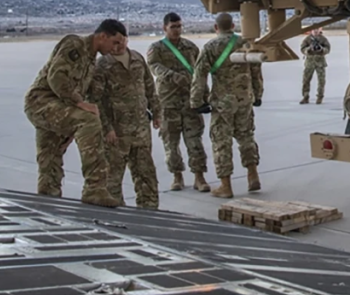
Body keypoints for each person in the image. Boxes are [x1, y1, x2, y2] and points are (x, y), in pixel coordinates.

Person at [23, 19, 126, 207]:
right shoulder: (75, 45)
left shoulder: (90, 59)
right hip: (42, 102)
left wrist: (71, 126)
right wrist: (78, 104)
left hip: (56, 106)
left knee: (51, 156)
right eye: (115, 42)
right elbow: (56, 77)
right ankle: (94, 188)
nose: (116, 48)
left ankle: (48, 199)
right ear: (102, 36)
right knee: (89, 121)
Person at [191, 12, 263, 198]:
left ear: (216, 28)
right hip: (244, 99)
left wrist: (197, 101)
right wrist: (258, 94)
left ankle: (226, 185)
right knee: (246, 136)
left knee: (221, 142)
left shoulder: (210, 47)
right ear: (233, 26)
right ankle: (252, 174)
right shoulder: (245, 44)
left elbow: (199, 75)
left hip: (222, 103)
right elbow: (256, 70)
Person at [89, 34, 161, 209]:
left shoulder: (137, 58)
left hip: (140, 130)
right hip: (116, 133)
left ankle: (149, 212)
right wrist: (107, 128)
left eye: (122, 40)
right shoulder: (102, 65)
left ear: (127, 39)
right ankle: (116, 215)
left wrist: (157, 112)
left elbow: (149, 87)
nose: (119, 45)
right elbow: (94, 100)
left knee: (146, 175)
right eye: (115, 41)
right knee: (112, 178)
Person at [146, 12, 211, 192]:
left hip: (189, 103)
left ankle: (199, 177)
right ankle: (177, 177)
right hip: (168, 103)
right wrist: (173, 76)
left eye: (179, 26)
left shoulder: (190, 48)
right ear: (165, 28)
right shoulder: (157, 48)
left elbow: (200, 73)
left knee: (194, 142)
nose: (177, 30)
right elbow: (154, 67)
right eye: (173, 27)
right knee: (171, 143)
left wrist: (205, 97)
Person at [299, 27, 331, 104]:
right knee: (306, 80)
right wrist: (309, 49)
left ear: (320, 30)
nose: (316, 31)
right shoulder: (307, 39)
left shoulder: (323, 39)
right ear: (311, 31)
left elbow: (328, 48)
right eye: (314, 30)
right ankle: (305, 96)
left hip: (320, 62)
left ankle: (320, 97)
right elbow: (302, 49)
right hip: (310, 62)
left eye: (317, 29)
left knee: (321, 81)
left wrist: (322, 49)